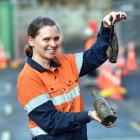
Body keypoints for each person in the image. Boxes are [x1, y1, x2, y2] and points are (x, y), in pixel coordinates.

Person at [17, 11, 126, 140]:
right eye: (46, 39)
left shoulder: (66, 62)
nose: (53, 44)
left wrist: (106, 27)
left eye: (56, 38)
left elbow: (95, 55)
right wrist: (89, 115)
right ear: (31, 41)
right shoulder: (28, 78)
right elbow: (51, 122)